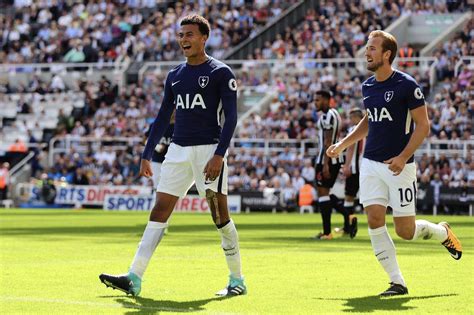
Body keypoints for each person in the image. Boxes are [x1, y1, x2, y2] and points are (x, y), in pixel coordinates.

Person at [99, 15, 246, 297]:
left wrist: (219, 154)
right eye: (181, 35)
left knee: (219, 215)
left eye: (190, 34)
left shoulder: (220, 72)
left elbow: (231, 118)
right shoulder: (174, 75)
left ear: (204, 37)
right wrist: (146, 153)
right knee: (159, 211)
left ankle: (237, 279)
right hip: (177, 151)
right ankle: (134, 276)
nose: (184, 40)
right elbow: (162, 116)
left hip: (208, 151)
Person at [327, 30, 462, 296]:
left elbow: (423, 126)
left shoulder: (407, 85)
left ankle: (442, 232)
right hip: (370, 165)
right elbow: (370, 120)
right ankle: (397, 281)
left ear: (387, 54)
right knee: (374, 219)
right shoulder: (367, 86)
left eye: (372, 48)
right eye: (367, 47)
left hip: (399, 166)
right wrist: (344, 143)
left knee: (405, 231)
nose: (367, 52)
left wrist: (402, 156)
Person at [313, 90, 355, 240]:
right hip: (331, 159)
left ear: (325, 100)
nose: (315, 103)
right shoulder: (333, 114)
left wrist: (325, 164)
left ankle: (327, 232)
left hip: (327, 160)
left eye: (317, 100)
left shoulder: (329, 115)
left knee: (323, 194)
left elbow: (328, 142)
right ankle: (347, 217)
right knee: (324, 194)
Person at [334, 107, 364, 238]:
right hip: (368, 169)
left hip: (355, 169)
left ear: (357, 117)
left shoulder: (355, 130)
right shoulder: (371, 128)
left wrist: (346, 166)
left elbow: (351, 149)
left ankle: (349, 226)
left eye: (351, 117)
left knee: (349, 197)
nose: (350, 120)